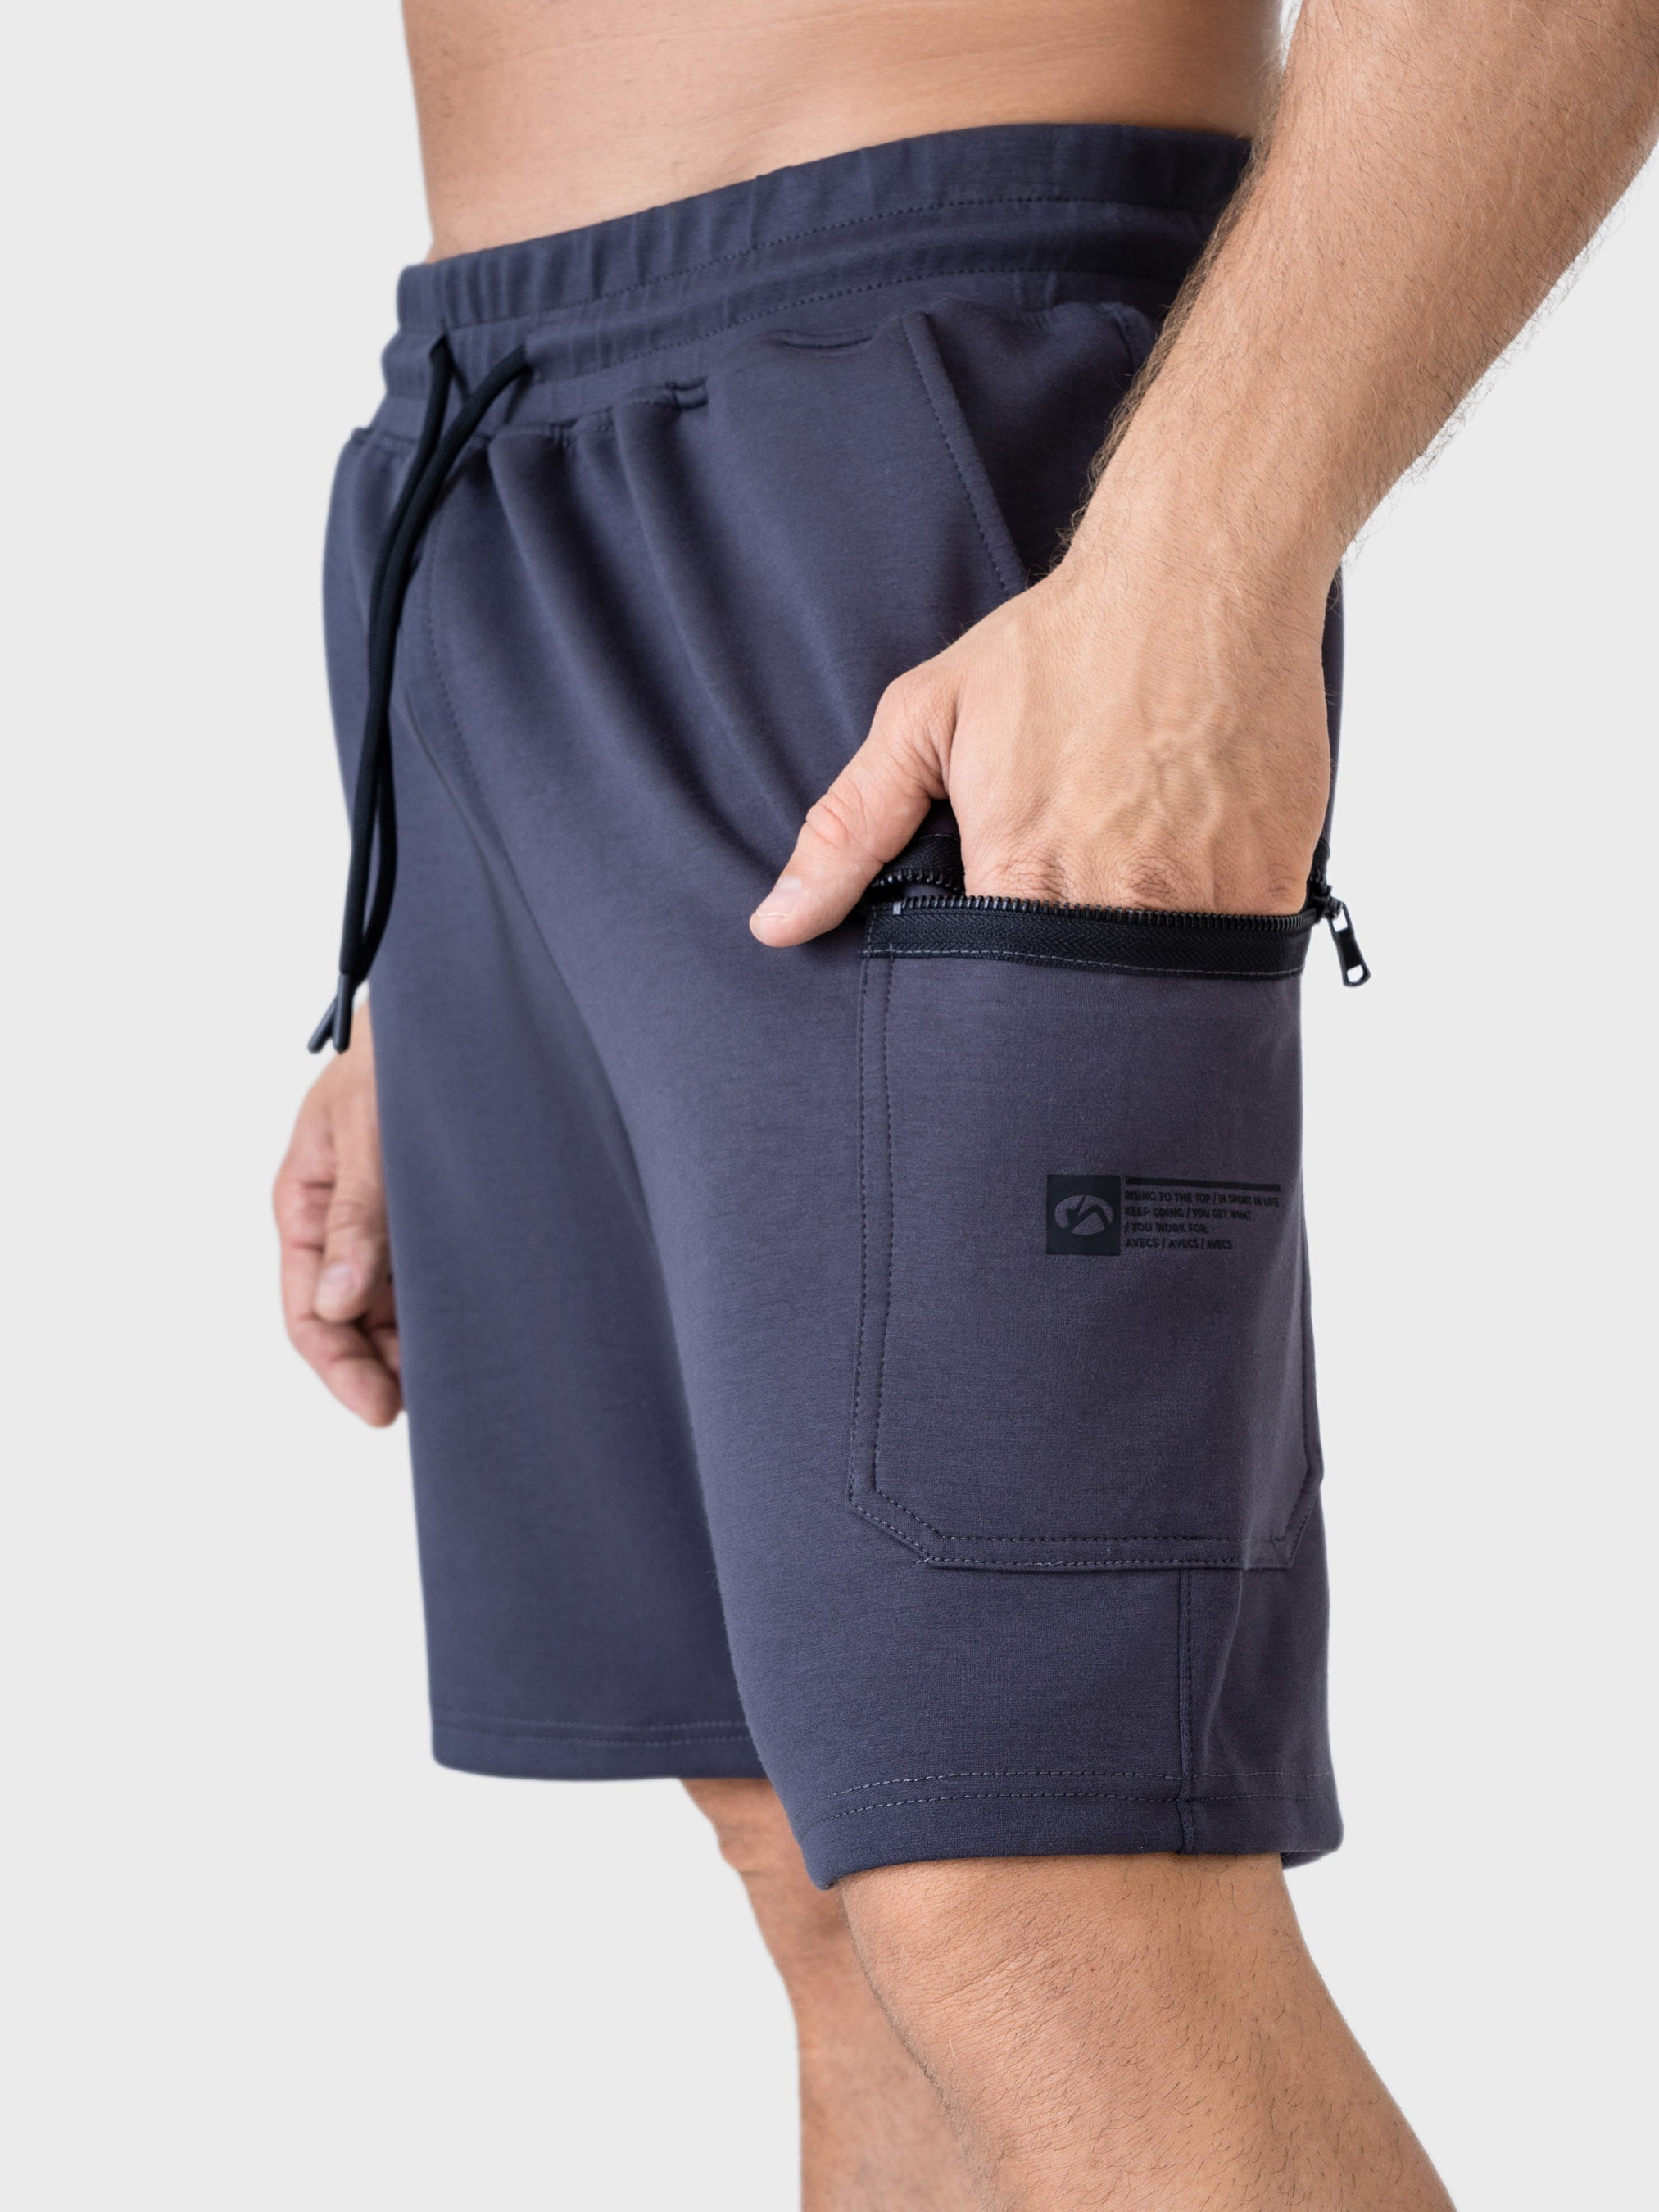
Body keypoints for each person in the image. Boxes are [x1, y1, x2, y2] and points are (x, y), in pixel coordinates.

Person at [274, 0, 1659, 2201]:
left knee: (1043, 1911)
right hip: (486, 467)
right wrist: (425, 978)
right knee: (820, 1884)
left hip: (911, 416)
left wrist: (1200, 566)